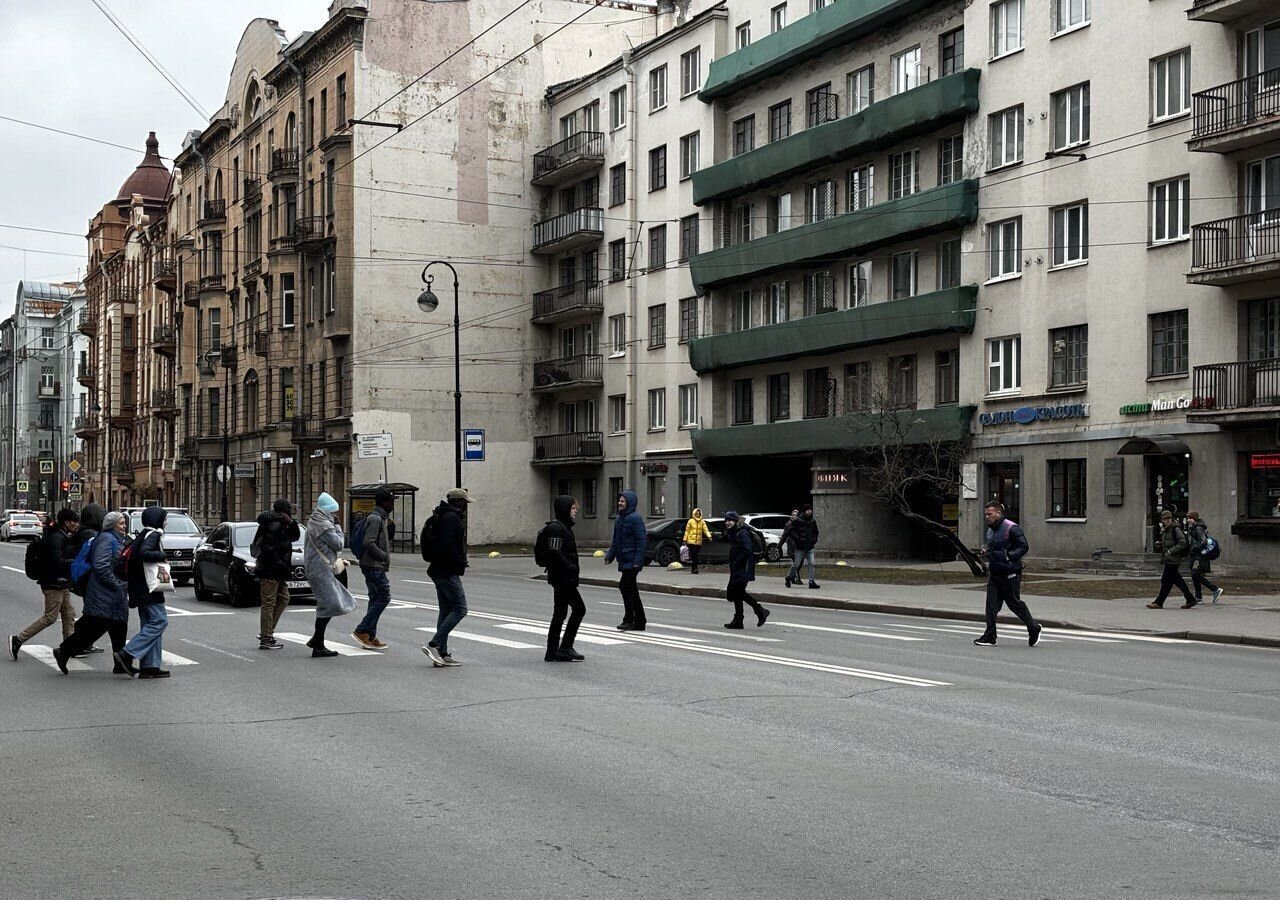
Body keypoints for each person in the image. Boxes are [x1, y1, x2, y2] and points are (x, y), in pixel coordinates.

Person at [51, 511, 132, 675]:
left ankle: (121, 664)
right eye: (121, 523)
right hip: (104, 593)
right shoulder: (107, 539)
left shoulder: (117, 539)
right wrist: (116, 584)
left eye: (124, 523)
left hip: (113, 593)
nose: (124, 526)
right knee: (93, 630)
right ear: (112, 525)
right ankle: (63, 651)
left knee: (119, 626)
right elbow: (101, 566)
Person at [10, 508, 80, 661]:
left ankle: (68, 648)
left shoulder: (62, 535)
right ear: (67, 523)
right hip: (53, 583)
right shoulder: (56, 538)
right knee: (50, 617)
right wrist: (77, 562)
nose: (77, 524)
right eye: (75, 521)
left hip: (61, 582)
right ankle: (18, 639)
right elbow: (57, 562)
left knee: (69, 614)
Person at [115, 506, 172, 679]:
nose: (166, 521)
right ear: (157, 519)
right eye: (164, 518)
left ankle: (150, 666)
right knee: (159, 621)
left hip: (140, 588)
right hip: (149, 588)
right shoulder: (153, 534)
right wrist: (162, 555)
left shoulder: (142, 535)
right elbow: (144, 554)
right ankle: (127, 653)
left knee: (149, 624)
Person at [974, 501, 1041, 647]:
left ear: (998, 513)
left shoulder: (1011, 527)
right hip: (995, 573)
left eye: (989, 513)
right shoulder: (991, 529)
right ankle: (990, 636)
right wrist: (987, 551)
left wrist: (1009, 556)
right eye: (985, 514)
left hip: (1010, 573)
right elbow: (994, 546)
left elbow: (1024, 546)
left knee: (1014, 604)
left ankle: (1033, 628)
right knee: (991, 606)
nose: (987, 516)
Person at [421, 488, 473, 667]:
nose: (466, 505)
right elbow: (447, 545)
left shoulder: (442, 515)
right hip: (447, 570)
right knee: (460, 609)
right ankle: (434, 644)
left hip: (438, 569)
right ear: (458, 502)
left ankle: (441, 653)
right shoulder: (452, 518)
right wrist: (459, 561)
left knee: (445, 610)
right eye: (465, 502)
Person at [305, 492, 356, 657]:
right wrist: (338, 527)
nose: (334, 515)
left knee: (327, 604)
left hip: (319, 567)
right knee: (330, 604)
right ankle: (317, 643)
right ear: (327, 511)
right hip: (320, 568)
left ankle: (317, 641)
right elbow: (339, 544)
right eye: (333, 512)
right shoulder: (324, 525)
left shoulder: (315, 521)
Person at [542, 495, 585, 662]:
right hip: (562, 578)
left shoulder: (564, 527)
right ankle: (565, 647)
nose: (575, 512)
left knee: (559, 613)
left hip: (563, 577)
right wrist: (570, 566)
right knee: (579, 609)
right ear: (565, 509)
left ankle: (553, 651)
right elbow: (555, 551)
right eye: (573, 508)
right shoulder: (556, 528)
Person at [254, 498, 301, 650]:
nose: (291, 510)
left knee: (284, 598)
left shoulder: (282, 522)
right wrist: (279, 563)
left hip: (278, 570)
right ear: (284, 510)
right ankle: (266, 638)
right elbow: (268, 547)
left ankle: (266, 632)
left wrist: (292, 522)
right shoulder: (274, 524)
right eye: (289, 508)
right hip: (270, 570)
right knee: (268, 603)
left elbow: (295, 536)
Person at [353, 488, 395, 650]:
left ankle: (369, 636)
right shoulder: (376, 519)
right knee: (384, 597)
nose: (392, 505)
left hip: (371, 564)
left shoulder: (379, 518)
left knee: (375, 598)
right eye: (390, 502)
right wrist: (383, 555)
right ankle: (362, 630)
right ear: (383, 502)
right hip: (373, 565)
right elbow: (369, 542)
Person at [604, 489, 647, 631]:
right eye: (619, 501)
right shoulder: (619, 519)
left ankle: (629, 619)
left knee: (625, 586)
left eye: (622, 501)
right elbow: (615, 541)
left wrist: (637, 561)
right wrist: (609, 556)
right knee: (631, 590)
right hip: (624, 560)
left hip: (632, 561)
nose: (619, 503)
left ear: (630, 503)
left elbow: (642, 542)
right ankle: (640, 621)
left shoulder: (635, 518)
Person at [723, 511, 768, 630]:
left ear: (736, 521)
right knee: (737, 593)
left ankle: (759, 611)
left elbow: (747, 550)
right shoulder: (734, 532)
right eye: (726, 520)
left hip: (744, 567)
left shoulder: (742, 532)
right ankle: (739, 620)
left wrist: (737, 561)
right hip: (738, 567)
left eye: (730, 520)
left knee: (738, 592)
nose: (727, 522)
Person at [1147, 508, 1198, 610]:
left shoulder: (1175, 529)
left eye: (1169, 518)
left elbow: (1182, 543)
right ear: (1162, 520)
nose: (1167, 520)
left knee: (1166, 580)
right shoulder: (1166, 529)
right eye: (1165, 519)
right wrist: (1161, 544)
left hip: (1173, 559)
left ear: (1171, 518)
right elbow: (1171, 542)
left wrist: (1170, 551)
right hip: (1169, 558)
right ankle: (1190, 599)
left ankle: (1159, 602)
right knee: (1174, 580)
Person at [1184, 511, 1224, 605]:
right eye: (1187, 518)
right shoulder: (1194, 528)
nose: (1188, 520)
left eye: (1190, 518)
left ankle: (1214, 589)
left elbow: (1203, 541)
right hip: (1196, 555)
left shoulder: (1198, 528)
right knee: (1195, 575)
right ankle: (1198, 597)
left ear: (1195, 519)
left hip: (1199, 555)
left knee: (1195, 574)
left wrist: (1194, 548)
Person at [785, 504, 820, 589]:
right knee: (796, 564)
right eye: (807, 510)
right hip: (800, 547)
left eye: (810, 509)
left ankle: (811, 582)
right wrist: (798, 539)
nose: (809, 511)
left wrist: (814, 541)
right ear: (804, 511)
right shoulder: (797, 520)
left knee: (811, 563)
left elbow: (816, 532)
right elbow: (791, 531)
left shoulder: (812, 521)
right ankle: (788, 577)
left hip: (810, 547)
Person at [683, 508, 712, 575]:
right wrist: (684, 539)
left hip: (698, 542)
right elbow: (687, 531)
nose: (698, 515)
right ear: (694, 514)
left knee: (696, 555)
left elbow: (705, 530)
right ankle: (694, 568)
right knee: (694, 555)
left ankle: (694, 568)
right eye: (696, 513)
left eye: (699, 514)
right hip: (691, 541)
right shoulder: (690, 521)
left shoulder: (702, 522)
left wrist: (709, 536)